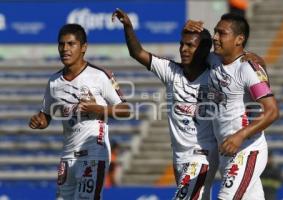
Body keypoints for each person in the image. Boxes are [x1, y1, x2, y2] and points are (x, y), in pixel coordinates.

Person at [112, 8, 219, 200]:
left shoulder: (215, 74)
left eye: (190, 46)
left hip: (203, 156)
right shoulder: (171, 71)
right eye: (182, 44)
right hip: (179, 157)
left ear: (203, 50)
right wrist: (128, 27)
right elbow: (137, 52)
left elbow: (235, 58)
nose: (184, 49)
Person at [28, 24, 130, 200]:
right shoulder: (54, 82)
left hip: (93, 154)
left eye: (71, 44)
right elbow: (46, 116)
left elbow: (126, 110)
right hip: (67, 157)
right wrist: (39, 122)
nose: (65, 49)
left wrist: (99, 109)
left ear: (83, 47)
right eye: (61, 44)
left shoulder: (99, 76)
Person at [184, 13, 279, 200]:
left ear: (239, 39)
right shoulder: (213, 60)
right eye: (215, 32)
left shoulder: (248, 68)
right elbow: (189, 54)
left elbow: (272, 111)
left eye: (222, 33)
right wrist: (188, 29)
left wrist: (240, 135)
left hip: (247, 150)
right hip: (226, 152)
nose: (215, 37)